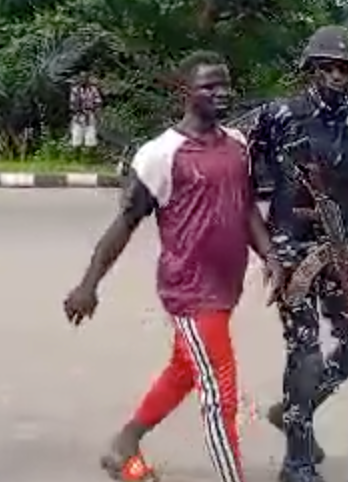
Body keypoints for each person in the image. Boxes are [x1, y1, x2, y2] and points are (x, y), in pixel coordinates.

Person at [64, 50, 285, 482]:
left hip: (226, 287)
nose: (220, 94)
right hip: (189, 291)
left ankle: (124, 444)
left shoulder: (237, 144)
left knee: (185, 369)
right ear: (186, 91)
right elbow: (124, 224)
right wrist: (88, 285)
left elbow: (246, 211)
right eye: (208, 86)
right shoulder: (160, 154)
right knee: (220, 395)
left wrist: (271, 256)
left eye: (224, 85)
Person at [249, 25, 348, 482]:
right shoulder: (279, 116)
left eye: (345, 68)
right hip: (292, 249)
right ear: (311, 69)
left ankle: (294, 410)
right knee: (303, 350)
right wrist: (265, 248)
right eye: (327, 67)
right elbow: (239, 180)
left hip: (341, 250)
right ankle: (296, 460)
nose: (337, 76)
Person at [69, 72, 103, 152]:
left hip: (90, 115)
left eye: (85, 78)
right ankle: (77, 157)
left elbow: (98, 102)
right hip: (78, 116)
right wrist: (77, 111)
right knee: (76, 137)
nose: (83, 80)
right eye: (81, 78)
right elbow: (72, 104)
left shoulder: (93, 90)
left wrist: (98, 115)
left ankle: (89, 157)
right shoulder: (75, 90)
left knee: (91, 137)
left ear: (87, 79)